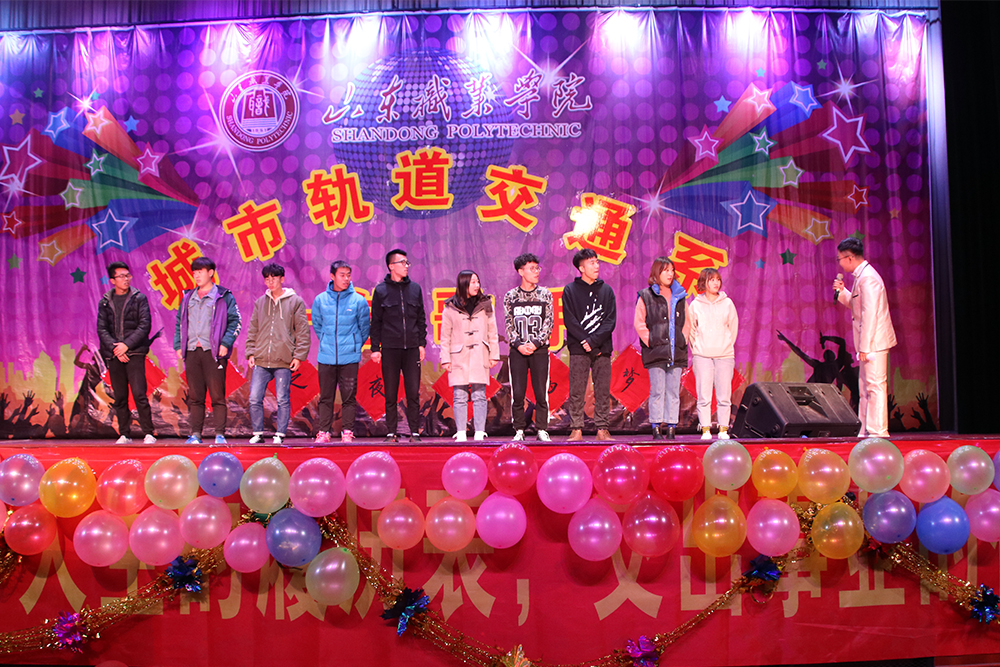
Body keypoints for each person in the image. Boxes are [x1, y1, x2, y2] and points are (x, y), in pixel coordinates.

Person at [833, 237, 897, 437]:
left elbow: (870, 314)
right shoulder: (861, 277)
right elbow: (858, 306)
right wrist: (842, 292)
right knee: (864, 387)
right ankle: (865, 430)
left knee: (875, 385)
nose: (840, 263)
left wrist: (865, 347)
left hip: (874, 342)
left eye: (840, 259)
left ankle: (878, 432)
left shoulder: (868, 278)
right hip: (869, 341)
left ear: (849, 258)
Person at [174, 257, 241, 445]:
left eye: (200, 272)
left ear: (211, 273)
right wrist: (178, 344)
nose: (196, 276)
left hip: (214, 352)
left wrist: (225, 343)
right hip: (192, 351)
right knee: (195, 396)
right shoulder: (188, 297)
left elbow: (235, 322)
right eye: (194, 272)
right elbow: (180, 322)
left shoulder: (223, 296)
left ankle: (220, 434)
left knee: (217, 396)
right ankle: (196, 434)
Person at [245, 263, 310, 445]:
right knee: (254, 398)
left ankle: (280, 434)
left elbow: (302, 331)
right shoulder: (260, 302)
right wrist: (251, 352)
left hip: (283, 359)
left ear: (282, 279)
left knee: (282, 399)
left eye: (274, 278)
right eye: (267, 278)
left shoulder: (295, 301)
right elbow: (253, 329)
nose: (270, 282)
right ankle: (258, 433)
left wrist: (298, 356)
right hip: (261, 358)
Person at [370, 248, 427, 443]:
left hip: (411, 348)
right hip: (390, 348)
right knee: (391, 392)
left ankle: (415, 432)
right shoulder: (381, 291)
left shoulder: (415, 289)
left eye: (407, 262)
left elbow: (421, 318)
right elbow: (376, 322)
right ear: (391, 266)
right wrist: (375, 348)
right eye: (402, 263)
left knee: (413, 391)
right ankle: (391, 432)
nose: (406, 266)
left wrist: (421, 344)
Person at [96, 261, 157, 444]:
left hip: (135, 353)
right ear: (112, 280)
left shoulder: (139, 298)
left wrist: (126, 346)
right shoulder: (105, 302)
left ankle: (149, 433)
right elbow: (102, 329)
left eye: (127, 275)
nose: (126, 279)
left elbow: (144, 325)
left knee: (139, 393)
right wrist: (116, 348)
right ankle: (124, 433)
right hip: (115, 354)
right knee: (120, 395)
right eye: (121, 276)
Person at [312, 260, 370, 443]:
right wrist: (327, 341)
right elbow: (318, 325)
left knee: (349, 397)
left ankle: (347, 431)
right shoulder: (320, 300)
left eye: (348, 275)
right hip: (326, 357)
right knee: (326, 397)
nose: (346, 279)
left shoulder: (358, 300)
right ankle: (324, 431)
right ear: (332, 276)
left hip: (349, 358)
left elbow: (364, 328)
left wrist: (353, 345)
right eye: (342, 275)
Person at [563, 248, 617, 442]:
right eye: (591, 263)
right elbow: (570, 320)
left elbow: (610, 320)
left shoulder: (606, 290)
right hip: (579, 347)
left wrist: (593, 341)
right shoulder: (570, 290)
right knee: (577, 389)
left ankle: (602, 428)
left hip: (602, 347)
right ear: (581, 268)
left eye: (597, 262)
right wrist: (585, 340)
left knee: (602, 389)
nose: (596, 266)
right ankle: (576, 428)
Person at [440, 271, 500, 441]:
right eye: (472, 282)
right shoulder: (450, 307)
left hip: (480, 353)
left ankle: (480, 431)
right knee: (459, 395)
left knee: (479, 395)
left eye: (477, 282)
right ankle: (461, 432)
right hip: (458, 355)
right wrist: (445, 358)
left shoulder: (485, 304)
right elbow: (445, 336)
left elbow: (492, 332)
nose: (476, 285)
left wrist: (493, 354)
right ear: (463, 284)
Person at [634, 257, 687, 440]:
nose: (670, 274)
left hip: (676, 350)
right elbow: (639, 323)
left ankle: (671, 427)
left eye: (672, 270)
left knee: (673, 391)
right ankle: (656, 427)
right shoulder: (646, 296)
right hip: (656, 351)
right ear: (657, 273)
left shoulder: (680, 295)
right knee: (657, 390)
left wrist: (682, 339)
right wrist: (651, 341)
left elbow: (687, 322)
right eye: (666, 270)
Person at [504, 253, 554, 442]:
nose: (536, 272)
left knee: (541, 391)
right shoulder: (511, 296)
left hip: (539, 350)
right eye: (531, 269)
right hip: (517, 351)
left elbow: (548, 323)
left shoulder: (545, 294)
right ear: (520, 271)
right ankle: (519, 429)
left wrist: (535, 344)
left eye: (537, 268)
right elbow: (509, 324)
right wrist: (519, 345)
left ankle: (542, 429)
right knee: (518, 392)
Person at [686, 268, 739, 440]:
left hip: (725, 355)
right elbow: (691, 331)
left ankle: (723, 429)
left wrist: (726, 346)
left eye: (718, 279)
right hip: (702, 356)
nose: (716, 283)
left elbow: (733, 327)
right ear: (704, 282)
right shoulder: (695, 304)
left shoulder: (727, 303)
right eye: (712, 279)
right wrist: (698, 348)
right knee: (704, 395)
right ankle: (706, 429)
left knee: (724, 395)